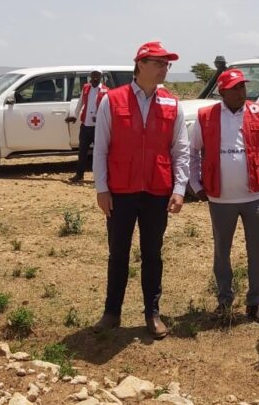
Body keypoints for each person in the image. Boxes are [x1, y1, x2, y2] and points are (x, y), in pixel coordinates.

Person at [91, 41, 189, 339]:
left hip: (157, 192)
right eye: (159, 63)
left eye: (166, 64)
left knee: (152, 254)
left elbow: (181, 150)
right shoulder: (112, 100)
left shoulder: (172, 104)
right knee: (118, 253)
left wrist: (180, 188)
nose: (164, 69)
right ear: (140, 64)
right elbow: (101, 147)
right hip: (120, 191)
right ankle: (112, 312)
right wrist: (101, 188)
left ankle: (152, 313)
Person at [189, 68, 259, 324]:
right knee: (222, 251)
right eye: (235, 88)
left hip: (255, 197)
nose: (241, 91)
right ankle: (224, 300)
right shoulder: (206, 116)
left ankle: (255, 302)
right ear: (222, 91)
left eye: (243, 86)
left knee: (257, 250)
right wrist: (196, 183)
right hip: (220, 199)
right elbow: (193, 152)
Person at [66, 69, 109, 182]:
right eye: (93, 76)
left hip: (98, 128)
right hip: (85, 126)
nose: (95, 78)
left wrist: (99, 117)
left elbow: (107, 108)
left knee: (100, 153)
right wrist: (75, 116)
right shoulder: (86, 88)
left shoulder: (105, 90)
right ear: (90, 76)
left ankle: (102, 177)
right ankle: (79, 175)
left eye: (97, 76)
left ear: (101, 77)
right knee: (82, 151)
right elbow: (80, 102)